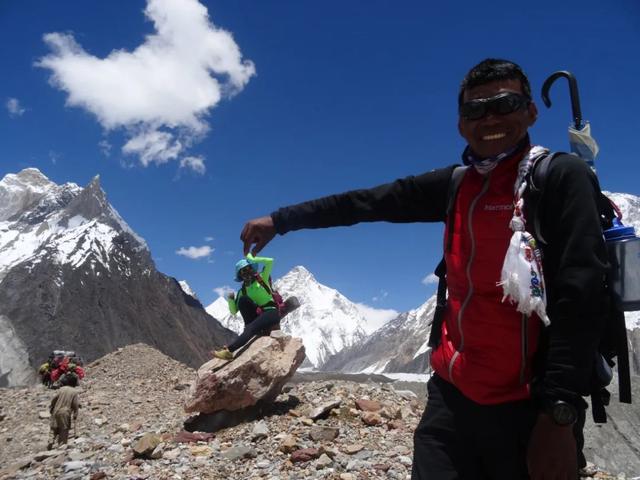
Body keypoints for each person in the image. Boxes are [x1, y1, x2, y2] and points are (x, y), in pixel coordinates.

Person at [239, 59, 607, 480]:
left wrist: (558, 415)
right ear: (460, 123)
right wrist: (280, 220)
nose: (490, 119)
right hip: (450, 402)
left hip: (528, 408)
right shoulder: (455, 185)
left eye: (505, 104)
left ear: (531, 111)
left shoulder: (559, 177)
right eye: (475, 110)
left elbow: (582, 295)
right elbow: (364, 202)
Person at [213, 253, 283, 360]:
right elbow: (233, 311)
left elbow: (270, 261)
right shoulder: (242, 291)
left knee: (250, 328)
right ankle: (252, 329)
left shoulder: (262, 279)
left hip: (271, 312)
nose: (247, 272)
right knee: (243, 300)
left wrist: (252, 258)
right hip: (258, 315)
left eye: (248, 268)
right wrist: (231, 300)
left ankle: (229, 351)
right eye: (243, 271)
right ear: (240, 275)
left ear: (253, 269)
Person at [47, 373, 80, 449]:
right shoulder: (74, 392)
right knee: (64, 429)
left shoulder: (61, 389)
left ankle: (50, 440)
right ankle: (61, 444)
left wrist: (52, 407)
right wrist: (75, 413)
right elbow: (75, 404)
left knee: (54, 427)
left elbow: (54, 399)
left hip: (56, 410)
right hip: (65, 412)